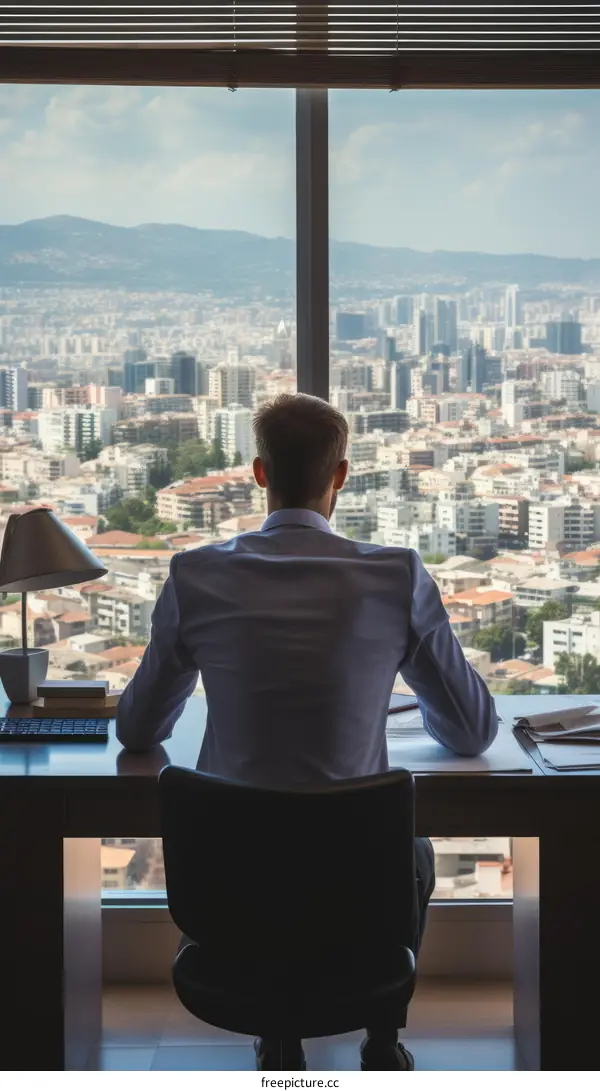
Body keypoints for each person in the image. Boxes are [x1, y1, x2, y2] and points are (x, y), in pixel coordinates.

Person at [117, 393, 498, 1071]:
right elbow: (471, 732)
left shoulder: (195, 574)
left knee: (274, 873)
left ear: (259, 473)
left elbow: (139, 728)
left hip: (230, 890)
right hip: (358, 893)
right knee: (415, 850)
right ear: (342, 475)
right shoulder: (396, 574)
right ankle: (381, 1037)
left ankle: (277, 1031)